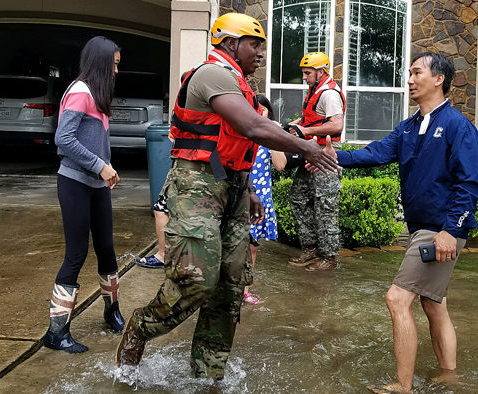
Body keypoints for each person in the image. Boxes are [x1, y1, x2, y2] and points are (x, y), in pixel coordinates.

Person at [115, 12, 338, 379]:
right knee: (197, 280)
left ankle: (208, 376)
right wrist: (306, 148)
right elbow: (251, 126)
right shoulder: (213, 74)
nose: (261, 53)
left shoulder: (240, 83)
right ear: (230, 43)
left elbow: (237, 145)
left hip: (233, 189)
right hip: (196, 187)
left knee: (230, 287)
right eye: (255, 44)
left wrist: (249, 188)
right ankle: (141, 326)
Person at [318, 52, 478, 393]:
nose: (409, 79)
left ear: (438, 79)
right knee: (433, 302)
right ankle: (449, 375)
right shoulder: (408, 127)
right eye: (408, 73)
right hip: (423, 228)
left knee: (397, 299)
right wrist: (334, 157)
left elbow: (470, 183)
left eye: (416, 72)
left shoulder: (457, 126)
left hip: (440, 230)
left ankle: (402, 386)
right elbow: (376, 153)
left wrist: (451, 231)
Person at [42, 36, 125, 353]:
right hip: (75, 182)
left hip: (96, 185)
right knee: (76, 254)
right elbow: (63, 140)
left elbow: (92, 140)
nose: (116, 71)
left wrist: (105, 167)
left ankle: (112, 311)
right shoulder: (80, 92)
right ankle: (56, 332)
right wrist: (100, 165)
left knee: (107, 249)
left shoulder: (98, 94)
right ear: (102, 63)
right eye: (114, 65)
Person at [287, 52, 346, 271]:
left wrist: (305, 131)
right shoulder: (314, 91)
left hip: (327, 153)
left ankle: (329, 258)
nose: (304, 77)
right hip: (312, 151)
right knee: (298, 197)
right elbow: (310, 118)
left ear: (321, 72)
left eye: (307, 73)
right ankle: (311, 247)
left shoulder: (329, 94)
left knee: (325, 204)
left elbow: (336, 125)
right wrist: (292, 126)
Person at [137, 72, 190, 270]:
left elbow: (174, 136)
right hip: (195, 169)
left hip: (185, 168)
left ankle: (163, 255)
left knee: (162, 209)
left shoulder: (185, 108)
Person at [243, 95, 283, 305]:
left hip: (261, 197)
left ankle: (245, 290)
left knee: (252, 245)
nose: (260, 111)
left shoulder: (268, 138)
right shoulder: (242, 133)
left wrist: (273, 136)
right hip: (240, 195)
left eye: (263, 109)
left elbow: (280, 165)